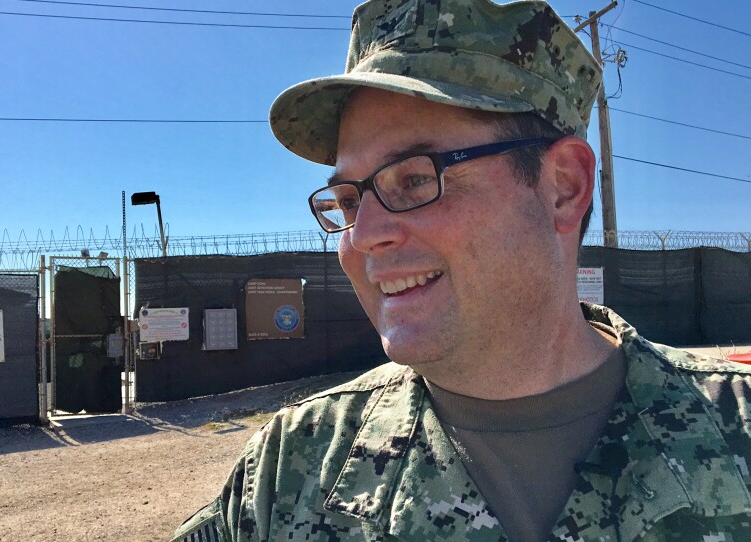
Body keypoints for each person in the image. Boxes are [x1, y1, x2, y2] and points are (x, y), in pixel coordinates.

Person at [172, 1, 751, 540]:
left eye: (416, 179)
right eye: (349, 201)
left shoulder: (737, 433)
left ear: (563, 189)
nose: (364, 236)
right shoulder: (295, 465)